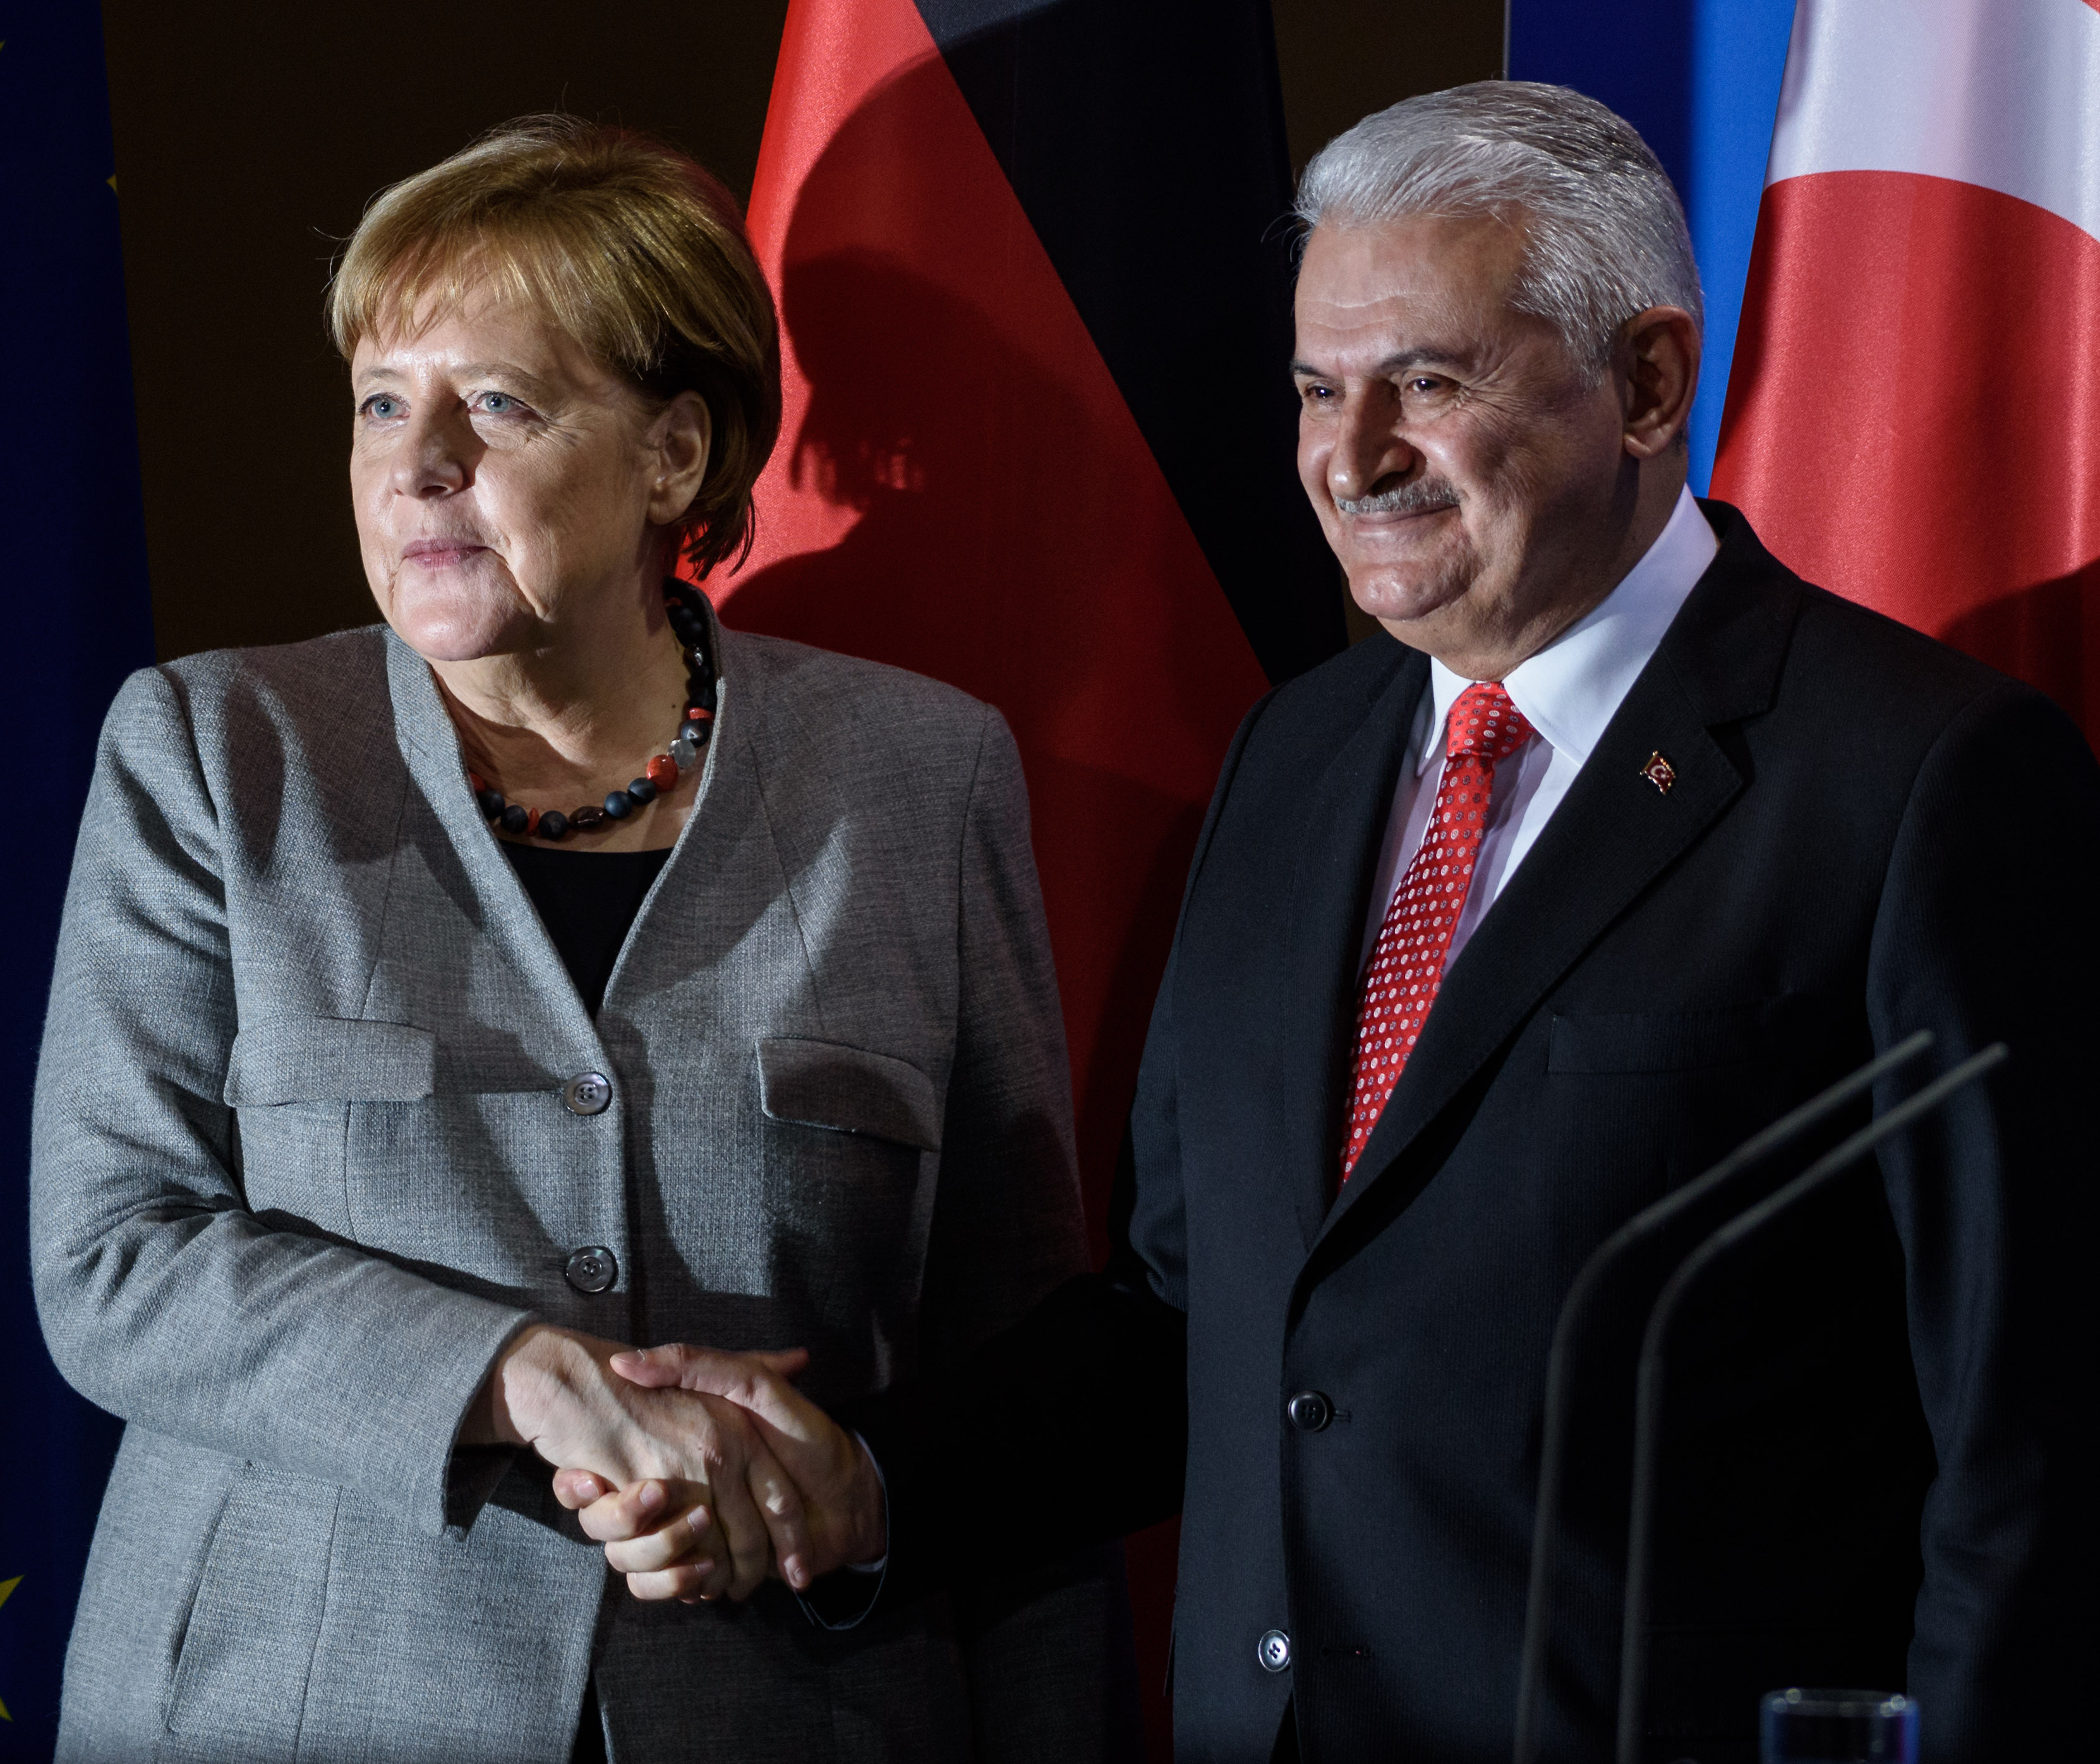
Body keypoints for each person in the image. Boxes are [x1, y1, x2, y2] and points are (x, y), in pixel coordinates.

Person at [569, 82, 2100, 1763]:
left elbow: (2028, 1437)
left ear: (1646, 382)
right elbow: (1192, 1318)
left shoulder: (1916, 780)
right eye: (1313, 388)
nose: (1345, 457)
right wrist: (861, 1481)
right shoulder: (1294, 756)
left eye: (1424, 384)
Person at [29, 117, 1129, 1763]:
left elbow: (1015, 1364)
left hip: (787, 1709)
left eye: (500, 405)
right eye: (382, 405)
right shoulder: (215, 751)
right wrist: (526, 1377)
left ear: (673, 457)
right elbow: (116, 1259)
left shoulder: (917, 777)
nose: (416, 465)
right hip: (297, 1702)